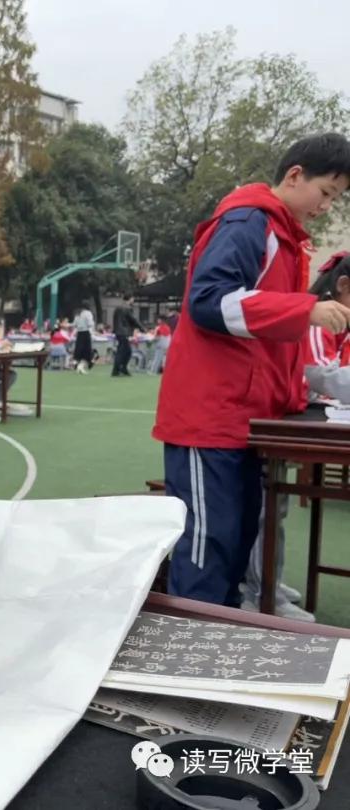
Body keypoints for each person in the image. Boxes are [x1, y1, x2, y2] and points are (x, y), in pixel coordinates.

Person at [153, 132, 350, 614]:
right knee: (207, 548)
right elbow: (207, 302)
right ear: (295, 175)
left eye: (337, 199)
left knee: (238, 543)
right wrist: (303, 310)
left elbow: (267, 345)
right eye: (326, 193)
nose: (327, 206)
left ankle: (213, 660)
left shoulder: (284, 237)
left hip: (248, 419)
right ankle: (182, 667)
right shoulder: (249, 221)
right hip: (210, 418)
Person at [238, 252, 350, 615]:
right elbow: (322, 376)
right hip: (271, 416)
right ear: (343, 287)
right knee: (268, 505)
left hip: (283, 412)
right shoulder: (321, 322)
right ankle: (262, 591)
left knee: (274, 504)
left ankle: (266, 582)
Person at [111, 296, 143, 376]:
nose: (133, 300)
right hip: (124, 332)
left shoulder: (117, 308)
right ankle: (118, 369)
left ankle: (121, 368)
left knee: (125, 351)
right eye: (133, 299)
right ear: (130, 299)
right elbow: (133, 319)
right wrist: (142, 328)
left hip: (118, 332)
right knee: (124, 351)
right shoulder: (127, 308)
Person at [73, 302, 94, 374]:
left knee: (79, 350)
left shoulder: (78, 314)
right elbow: (90, 324)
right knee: (87, 351)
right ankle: (81, 367)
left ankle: (76, 363)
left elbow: (74, 324)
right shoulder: (88, 313)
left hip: (79, 333)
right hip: (86, 333)